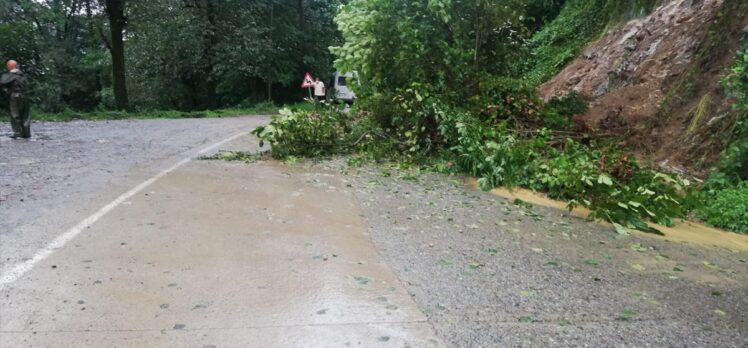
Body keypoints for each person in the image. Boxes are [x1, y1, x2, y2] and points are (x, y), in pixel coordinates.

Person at [1, 60, 30, 139]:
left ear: (10, 66)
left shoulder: (10, 75)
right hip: (25, 96)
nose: (7, 67)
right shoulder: (22, 75)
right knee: (25, 115)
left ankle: (17, 133)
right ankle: (26, 133)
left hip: (15, 96)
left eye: (7, 65)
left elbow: (3, 82)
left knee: (15, 115)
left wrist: (7, 91)